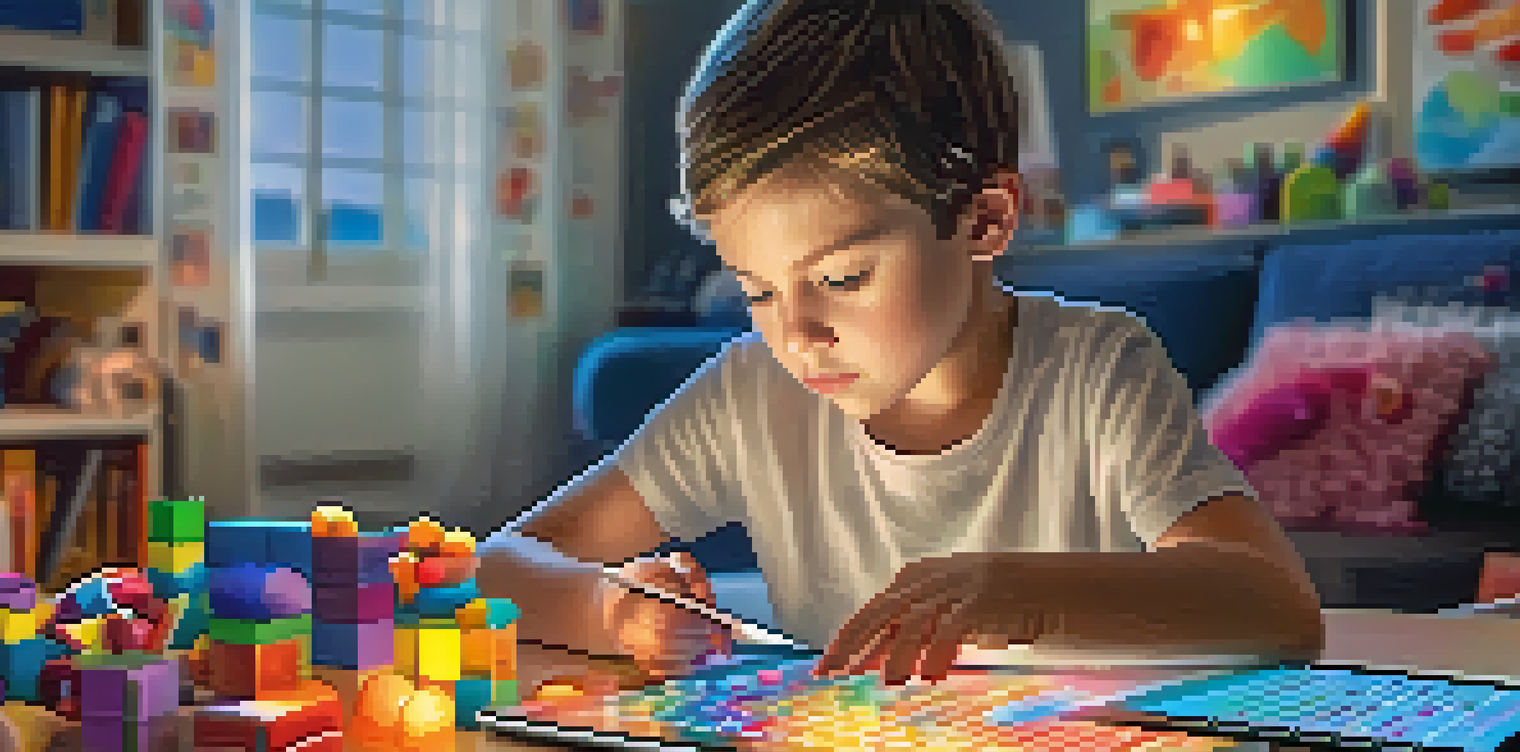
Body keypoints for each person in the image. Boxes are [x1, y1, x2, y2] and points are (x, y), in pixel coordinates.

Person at [476, 0, 1324, 685]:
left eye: (842, 278)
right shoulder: (754, 394)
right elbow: (499, 564)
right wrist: (610, 611)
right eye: (758, 289)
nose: (797, 335)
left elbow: (1279, 607)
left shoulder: (1096, 373)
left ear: (984, 218)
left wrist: (1021, 592)